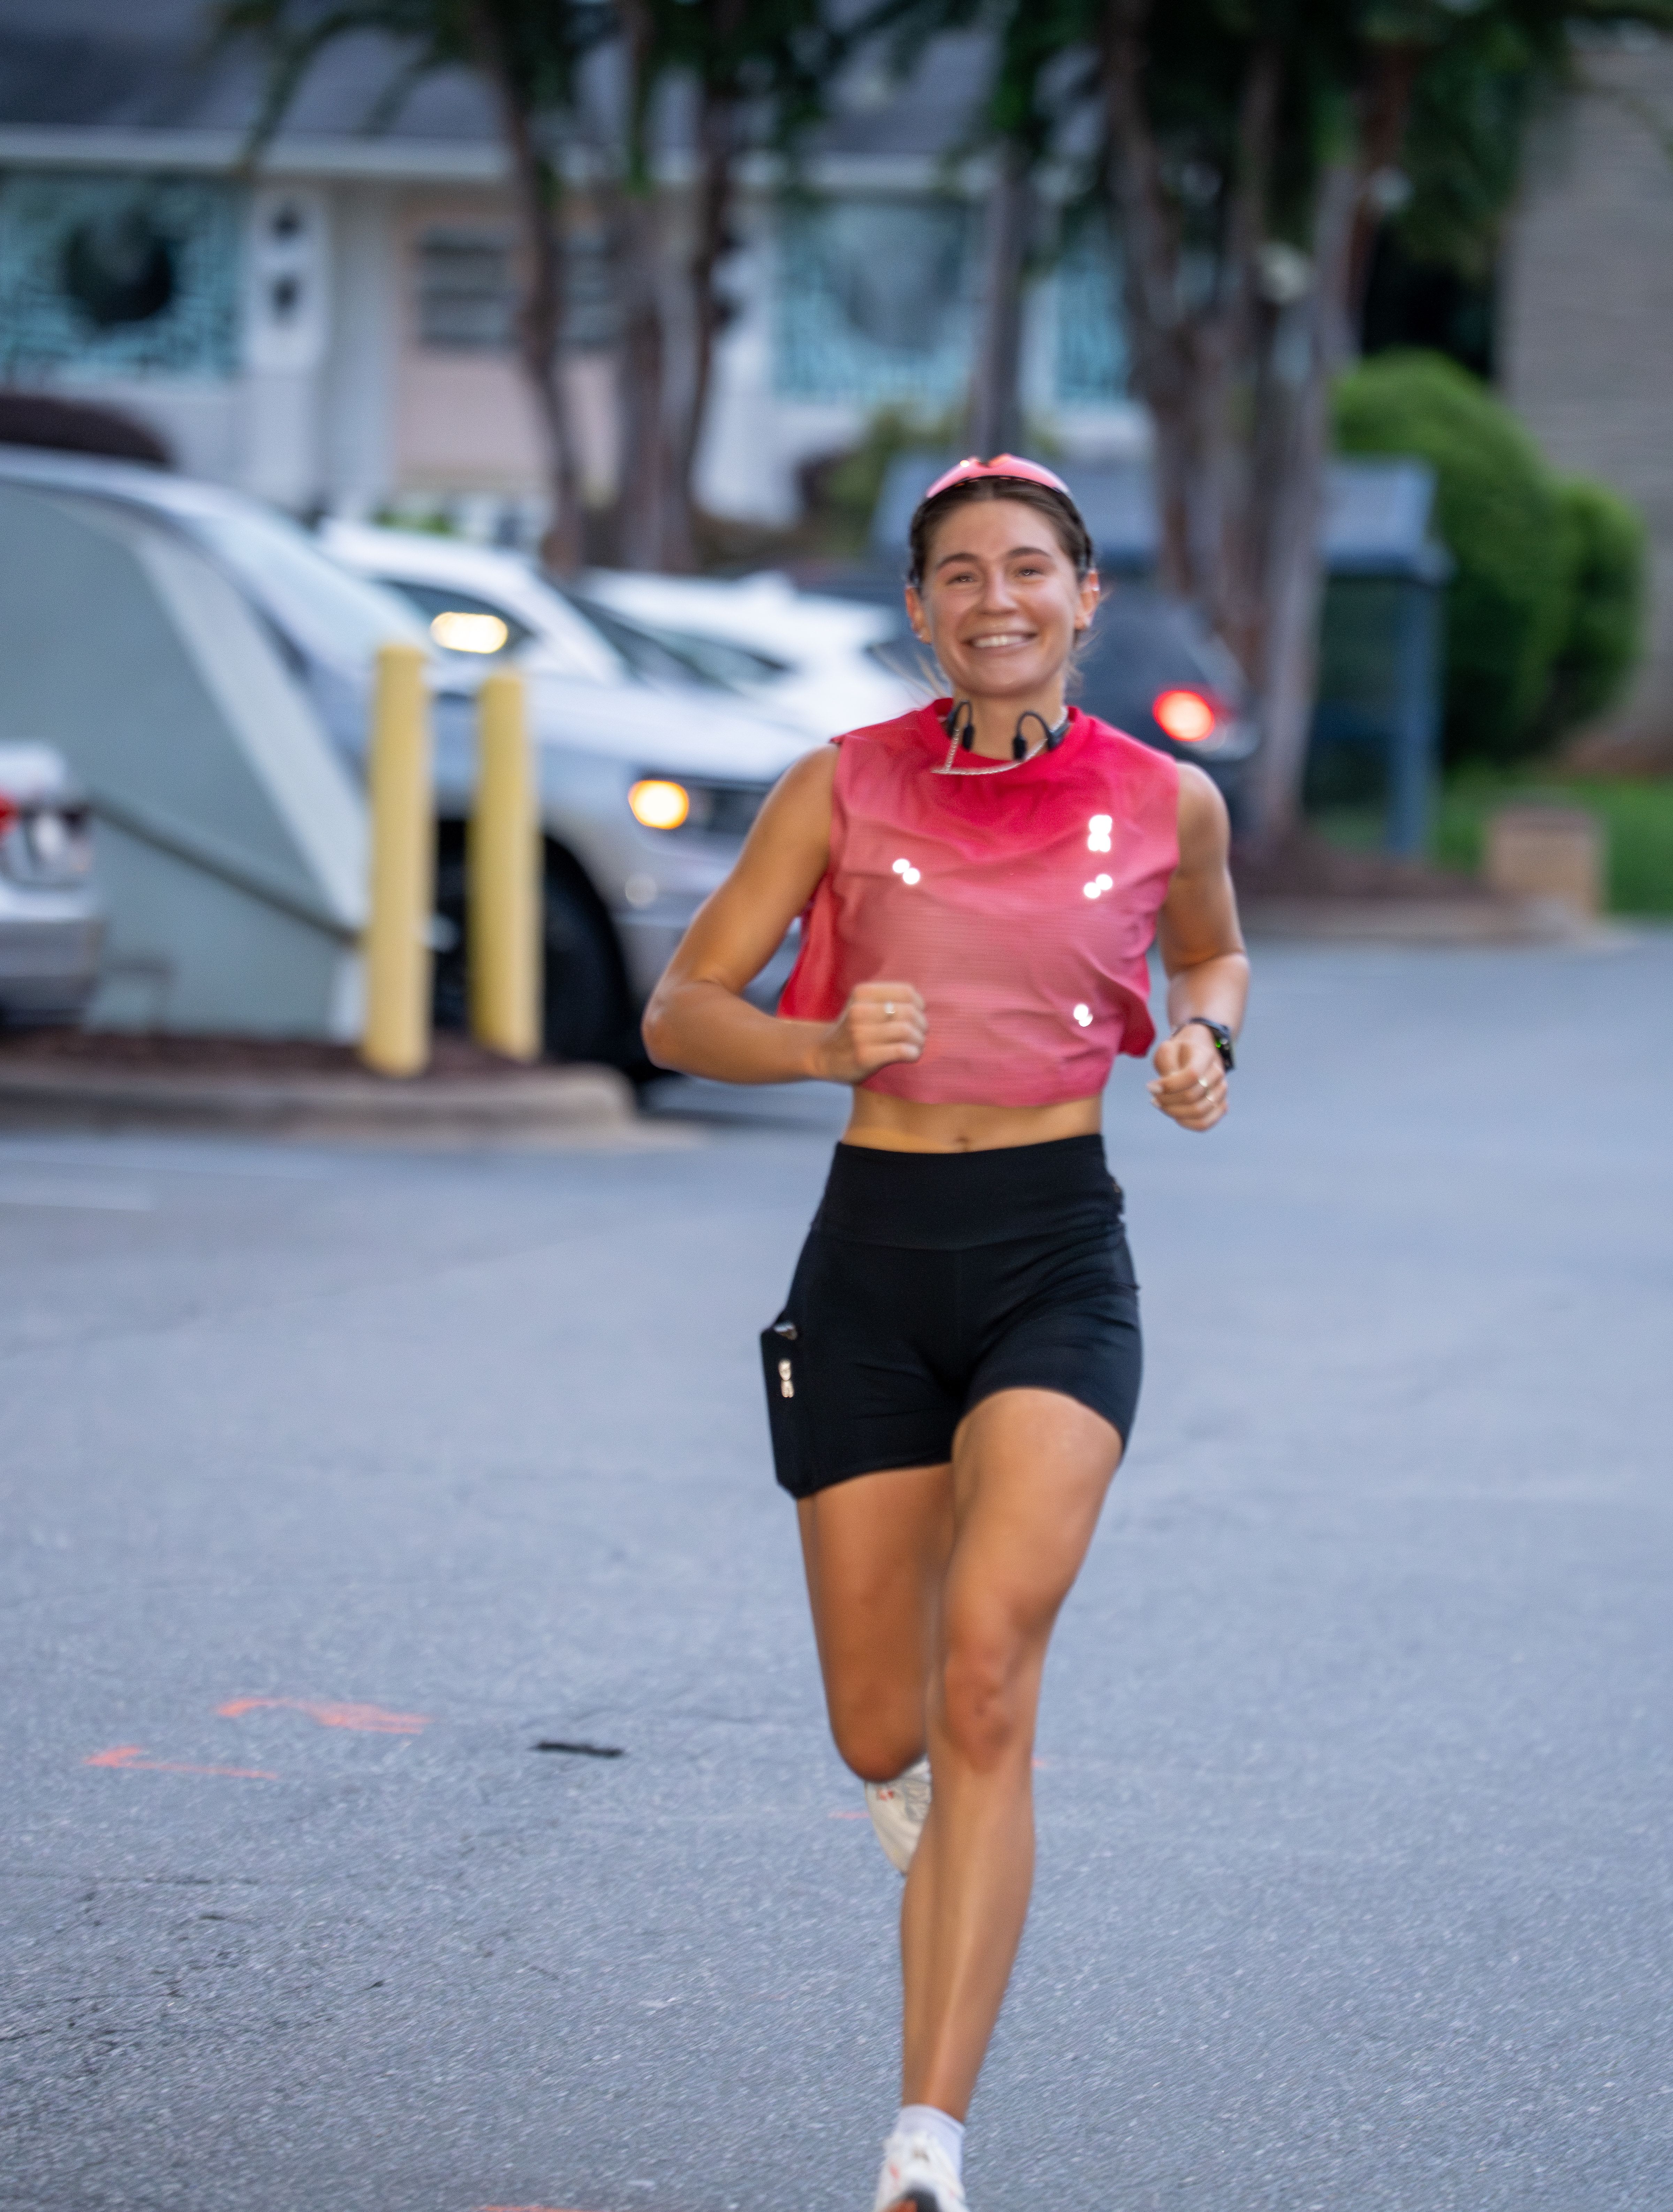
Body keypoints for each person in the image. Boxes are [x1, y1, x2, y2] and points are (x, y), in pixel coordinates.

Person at [639, 455, 1249, 2212]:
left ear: (1082, 599)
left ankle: (926, 2135)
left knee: (989, 1668)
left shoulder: (1164, 802)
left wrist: (1207, 1044)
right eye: (959, 572)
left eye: (1030, 568)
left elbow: (1209, 964)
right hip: (871, 1267)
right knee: (875, 1722)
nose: (997, 596)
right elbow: (684, 1007)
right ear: (918, 610)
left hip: (1058, 1254)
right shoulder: (836, 787)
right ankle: (912, 1793)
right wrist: (822, 1046)